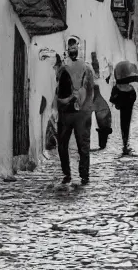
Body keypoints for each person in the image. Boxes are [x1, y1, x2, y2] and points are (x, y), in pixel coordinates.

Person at [56, 38, 95, 185]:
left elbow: (58, 89)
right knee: (83, 145)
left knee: (63, 145)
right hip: (80, 113)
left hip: (67, 112)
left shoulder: (63, 68)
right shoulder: (86, 68)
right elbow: (91, 90)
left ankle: (68, 174)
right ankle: (83, 174)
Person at [110, 59, 138, 156]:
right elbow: (134, 98)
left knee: (123, 123)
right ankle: (125, 143)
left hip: (122, 105)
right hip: (128, 106)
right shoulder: (130, 89)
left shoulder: (116, 88)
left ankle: (125, 143)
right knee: (126, 123)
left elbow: (112, 99)